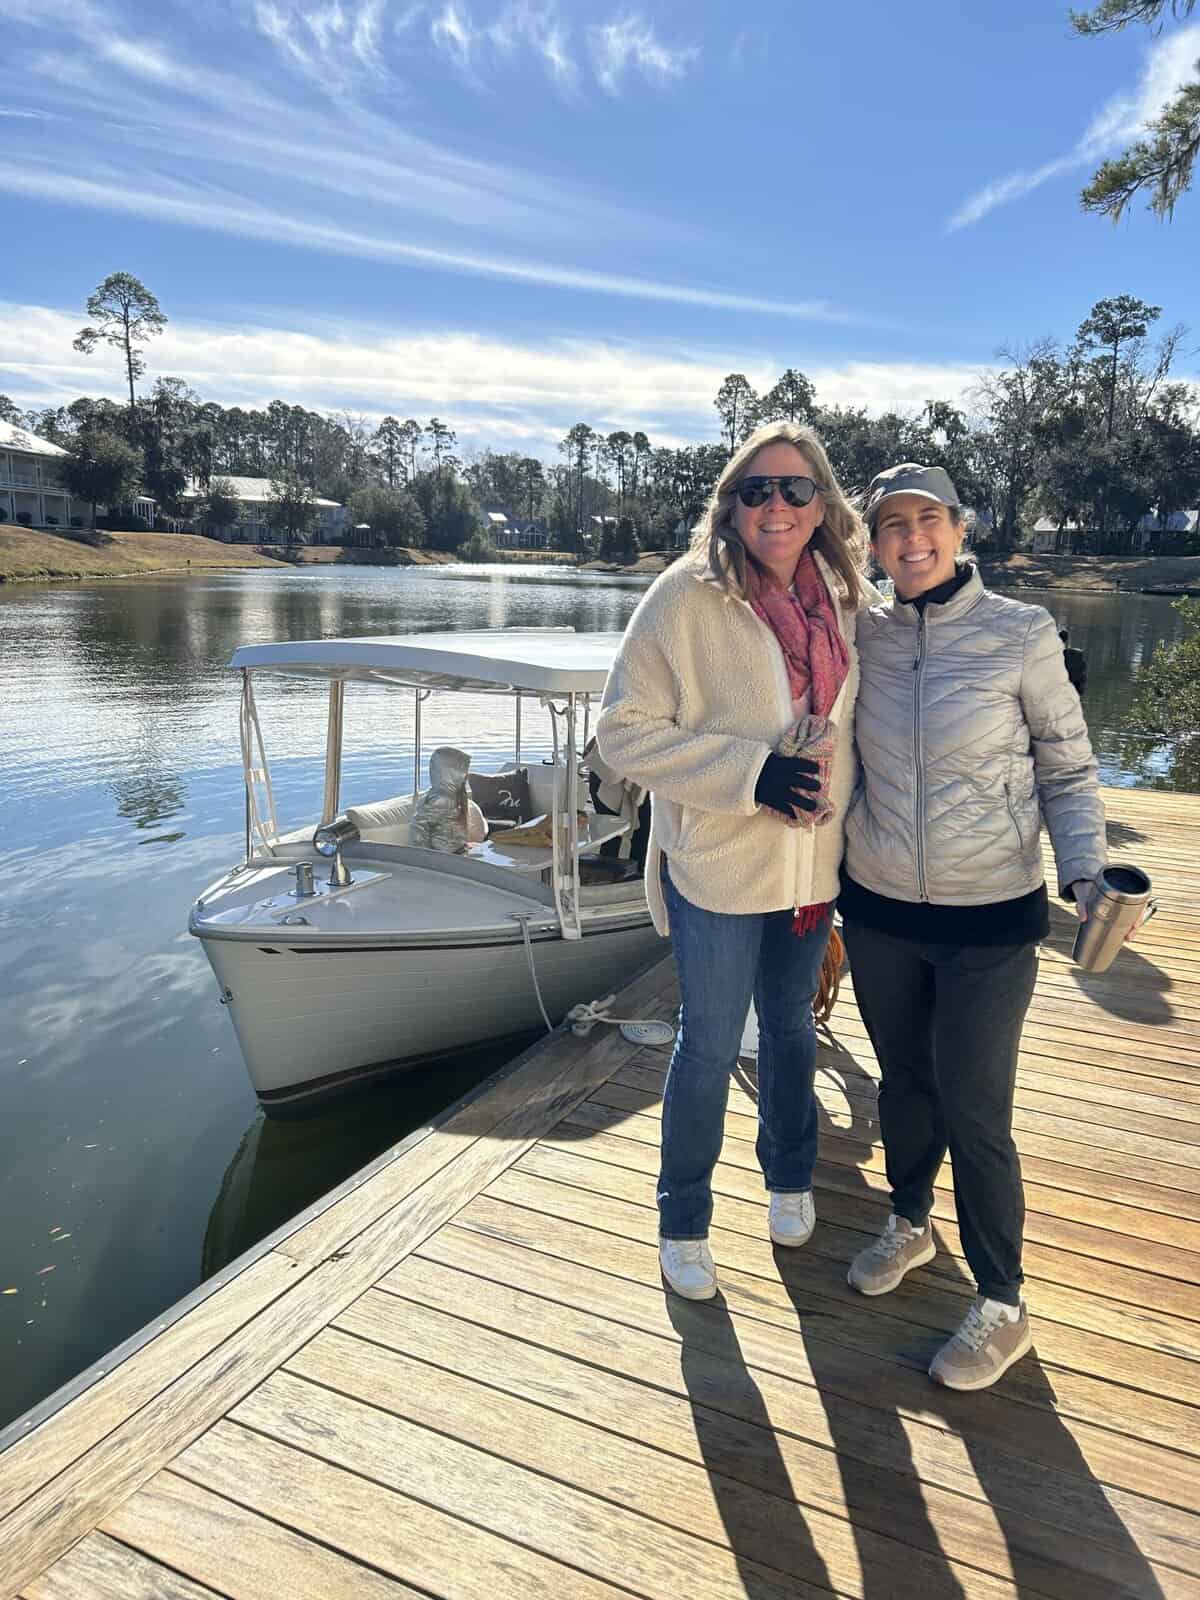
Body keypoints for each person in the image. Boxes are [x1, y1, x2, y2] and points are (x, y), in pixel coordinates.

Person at [840, 462, 1115, 1391]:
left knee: (975, 1104)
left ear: (961, 530)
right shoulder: (860, 635)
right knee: (904, 1082)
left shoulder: (1021, 633)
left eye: (927, 520)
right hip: (876, 906)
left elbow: (1068, 769)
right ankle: (910, 1219)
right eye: (890, 526)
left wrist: (1083, 869)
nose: (910, 539)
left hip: (992, 915)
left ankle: (1004, 1301)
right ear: (872, 544)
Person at [597, 421, 871, 1301]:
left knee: (791, 1030)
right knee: (710, 1043)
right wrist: (754, 774)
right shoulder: (686, 596)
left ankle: (789, 1176)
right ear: (731, 503)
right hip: (718, 866)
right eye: (757, 490)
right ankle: (683, 1219)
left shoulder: (845, 598)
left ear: (821, 503)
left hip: (812, 868)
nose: (777, 507)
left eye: (795, 490)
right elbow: (624, 733)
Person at [1059, 628, 1088, 696]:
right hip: (1077, 687)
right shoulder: (1077, 654)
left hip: (1069, 686)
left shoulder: (1060, 655)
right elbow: (1084, 667)